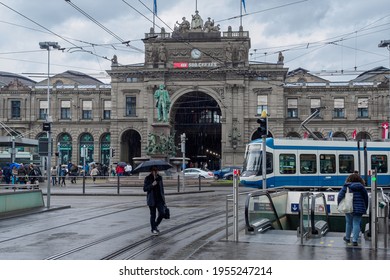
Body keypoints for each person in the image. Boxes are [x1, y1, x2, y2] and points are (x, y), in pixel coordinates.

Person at [337, 173, 368, 246]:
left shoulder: (346, 186)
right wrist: (365, 208)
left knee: (348, 222)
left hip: (348, 207)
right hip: (359, 208)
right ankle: (355, 240)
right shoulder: (362, 188)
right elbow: (366, 198)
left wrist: (339, 204)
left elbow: (340, 196)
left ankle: (347, 238)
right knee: (356, 223)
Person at [143, 166, 166, 235]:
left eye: (156, 170)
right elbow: (145, 189)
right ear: (151, 171)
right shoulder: (147, 178)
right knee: (153, 215)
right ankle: (153, 229)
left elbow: (162, 189)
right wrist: (152, 184)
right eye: (153, 170)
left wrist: (164, 199)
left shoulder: (159, 178)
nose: (155, 172)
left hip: (159, 199)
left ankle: (155, 225)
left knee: (162, 213)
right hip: (152, 199)